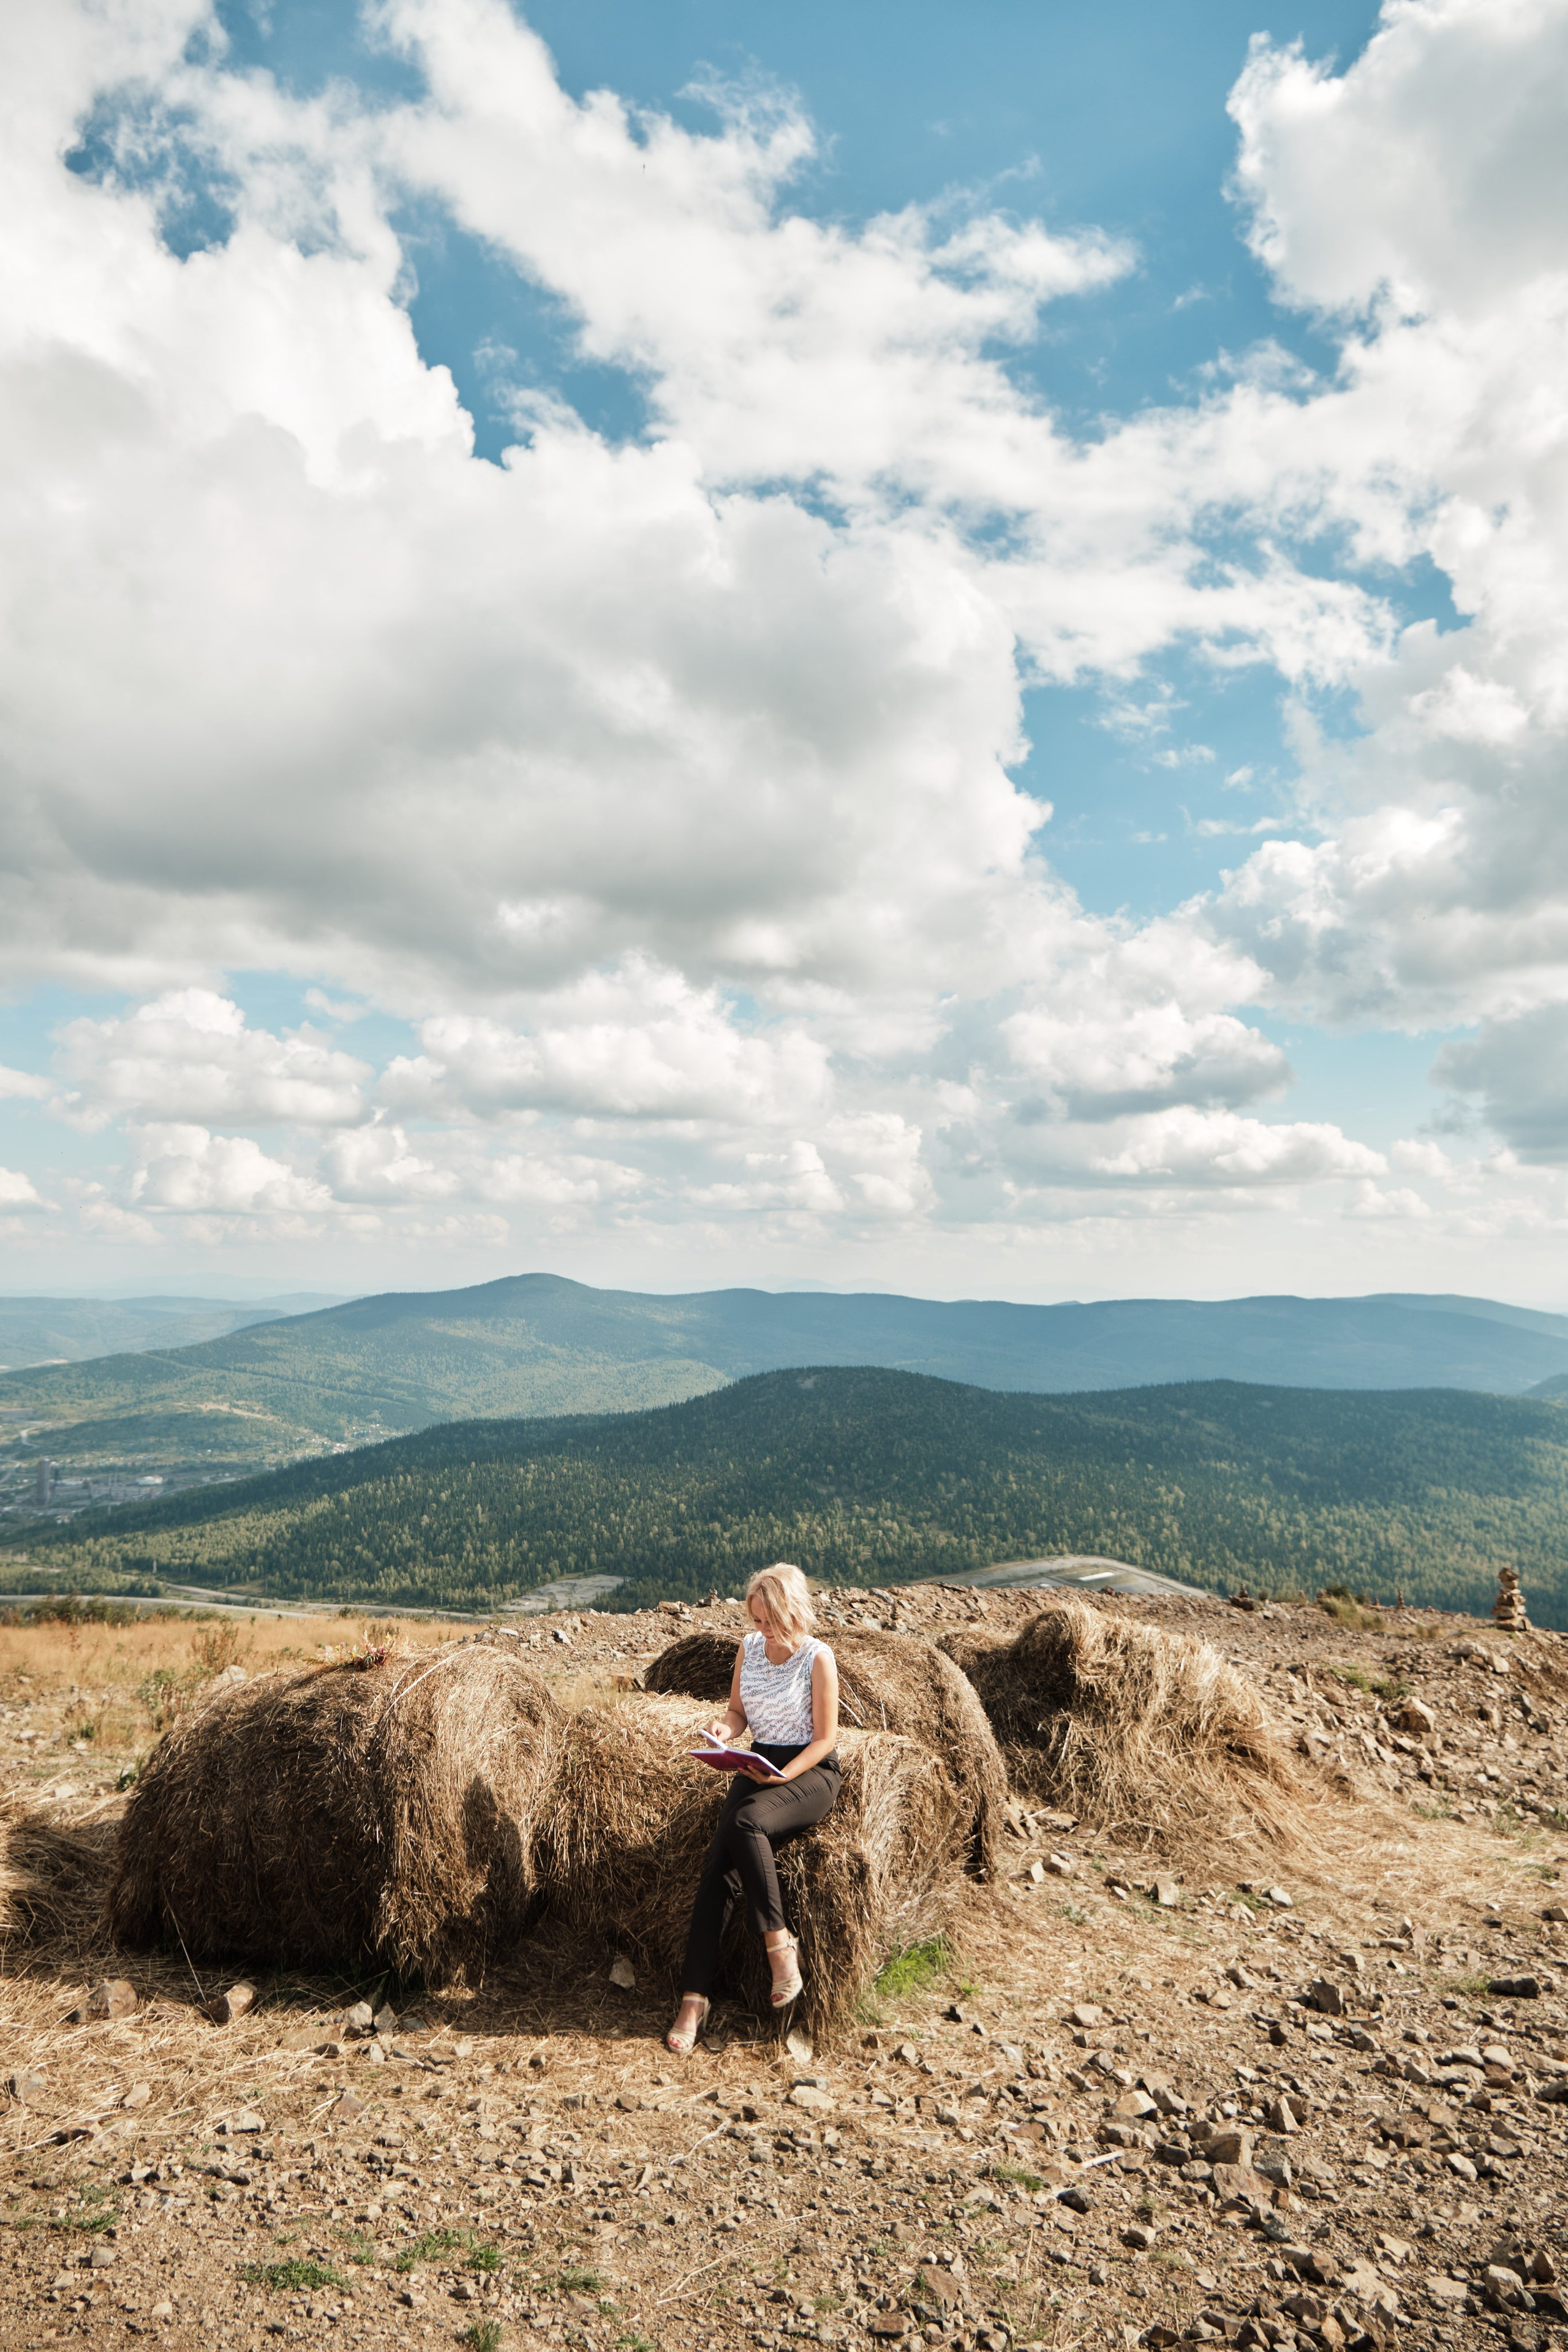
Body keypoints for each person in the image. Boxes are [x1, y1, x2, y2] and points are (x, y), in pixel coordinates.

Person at [666, 1562, 840, 2056]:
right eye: (756, 1620)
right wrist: (726, 1732)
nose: (760, 1629)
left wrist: (785, 1775)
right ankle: (694, 1999)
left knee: (745, 1822)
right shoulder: (749, 1648)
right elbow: (738, 1712)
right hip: (756, 1763)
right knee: (715, 1874)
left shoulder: (817, 1657)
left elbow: (827, 1739)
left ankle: (779, 1946)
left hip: (809, 1772)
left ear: (791, 1611)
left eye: (768, 1620)